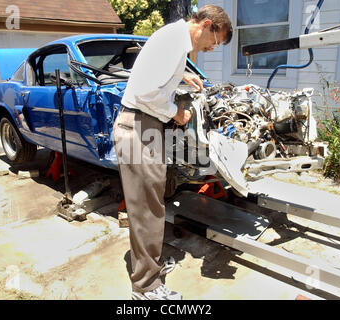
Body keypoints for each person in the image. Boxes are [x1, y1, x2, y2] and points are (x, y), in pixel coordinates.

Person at [112, 5, 232, 300]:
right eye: (214, 41)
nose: (212, 48)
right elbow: (144, 91)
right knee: (147, 212)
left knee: (152, 207)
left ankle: (149, 268)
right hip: (138, 128)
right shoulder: (171, 41)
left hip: (144, 126)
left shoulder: (175, 41)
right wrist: (176, 112)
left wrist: (182, 78)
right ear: (206, 25)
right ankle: (145, 287)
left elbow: (155, 79)